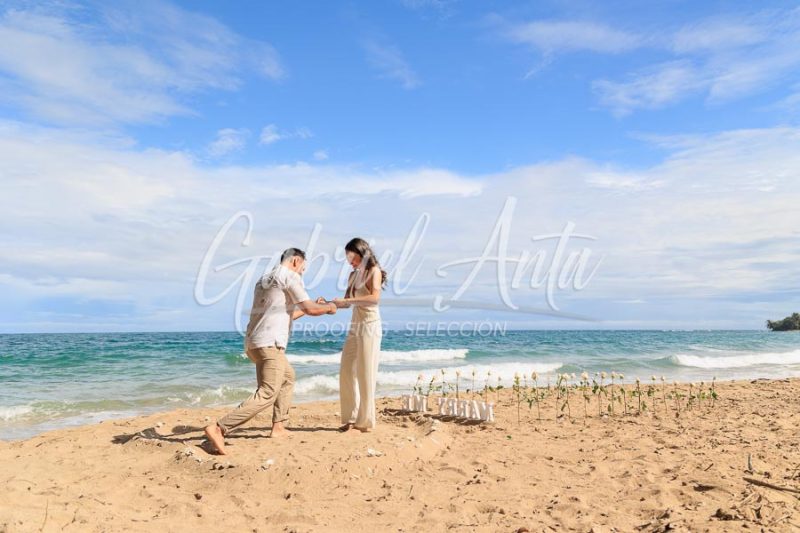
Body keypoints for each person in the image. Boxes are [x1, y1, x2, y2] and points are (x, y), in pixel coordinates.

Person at [204, 248, 336, 455]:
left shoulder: (264, 279)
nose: (302, 272)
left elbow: (288, 315)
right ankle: (219, 428)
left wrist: (315, 307)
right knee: (267, 393)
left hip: (254, 343)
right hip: (270, 344)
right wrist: (329, 307)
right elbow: (310, 308)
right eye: (303, 267)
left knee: (287, 377)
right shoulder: (290, 276)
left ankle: (279, 426)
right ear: (295, 261)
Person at [319, 238, 386, 433]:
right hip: (355, 326)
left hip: (370, 326)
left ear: (361, 253)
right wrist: (329, 302)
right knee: (346, 369)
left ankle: (365, 421)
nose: (349, 260)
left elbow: (374, 298)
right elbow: (347, 303)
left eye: (352, 256)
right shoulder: (352, 276)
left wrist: (350, 299)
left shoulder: (375, 272)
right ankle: (350, 417)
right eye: (347, 257)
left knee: (366, 373)